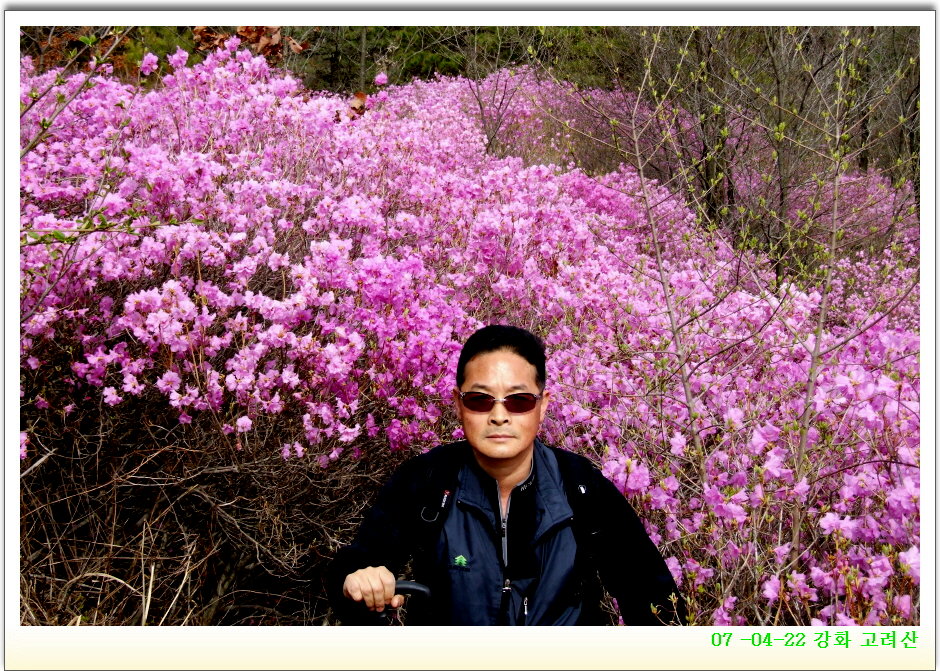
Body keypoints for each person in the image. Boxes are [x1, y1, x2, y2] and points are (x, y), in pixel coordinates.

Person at [325, 325, 685, 625]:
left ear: (542, 406)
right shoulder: (427, 481)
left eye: (519, 401)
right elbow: (356, 567)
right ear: (458, 404)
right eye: (480, 400)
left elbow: (656, 602)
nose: (499, 416)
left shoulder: (582, 488)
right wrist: (358, 582)